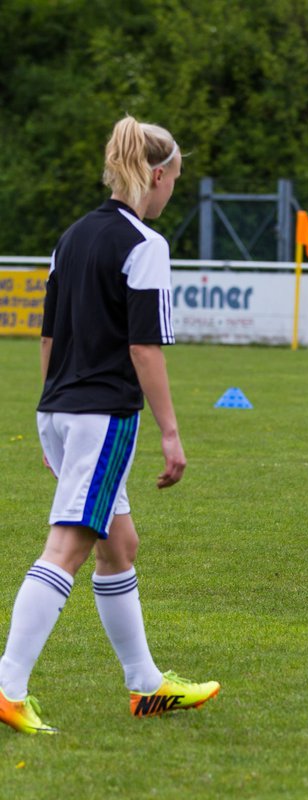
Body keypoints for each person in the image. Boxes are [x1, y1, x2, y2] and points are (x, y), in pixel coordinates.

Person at [0, 116, 220, 735]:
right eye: (175, 178)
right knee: (67, 547)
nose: (173, 188)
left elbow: (47, 335)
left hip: (60, 410)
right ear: (157, 174)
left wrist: (52, 416)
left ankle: (145, 685)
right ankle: (7, 685)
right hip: (101, 416)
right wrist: (171, 434)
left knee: (118, 545)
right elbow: (144, 350)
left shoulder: (70, 238)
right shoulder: (146, 246)